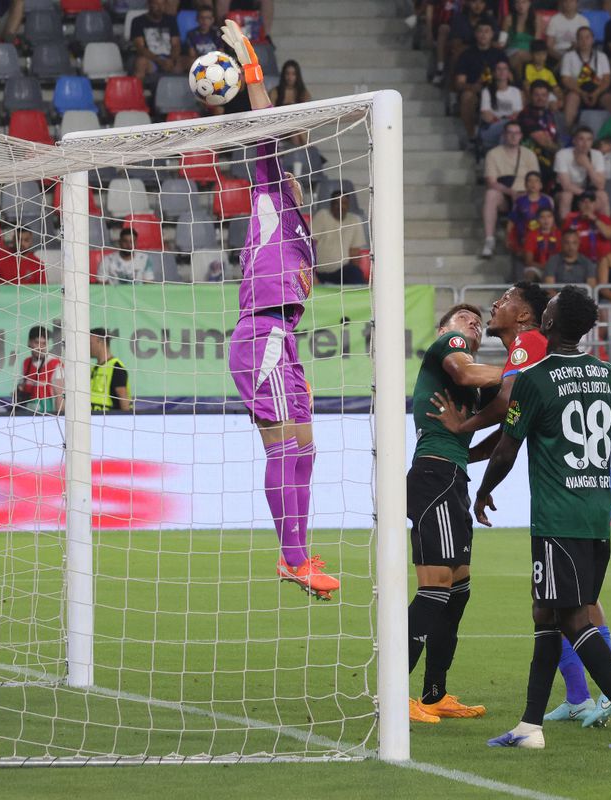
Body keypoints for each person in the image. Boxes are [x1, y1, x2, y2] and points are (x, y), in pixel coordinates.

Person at [427, 285, 611, 728]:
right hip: (588, 482)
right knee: (554, 601)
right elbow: (510, 429)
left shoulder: (529, 343)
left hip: (576, 488)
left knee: (571, 601)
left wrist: (460, 428)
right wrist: (469, 451)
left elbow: (503, 405)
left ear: (525, 316)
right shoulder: (531, 350)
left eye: (505, 299)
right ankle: (578, 697)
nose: (495, 304)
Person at [478, 286, 611, 751]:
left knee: (575, 620)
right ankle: (529, 726)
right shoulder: (604, 374)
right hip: (596, 512)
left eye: (550, 307)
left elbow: (506, 448)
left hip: (557, 517)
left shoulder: (534, 378)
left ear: (549, 322)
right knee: (546, 613)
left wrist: (482, 490)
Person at [221, 22, 338, 601]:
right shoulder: (268, 194)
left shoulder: (303, 239)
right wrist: (250, 61)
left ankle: (300, 551)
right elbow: (265, 127)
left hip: (282, 339)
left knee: (307, 447)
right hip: (260, 333)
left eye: (296, 177)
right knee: (284, 446)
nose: (294, 175)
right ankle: (291, 559)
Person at [405, 303, 502, 724]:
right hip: (434, 477)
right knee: (436, 587)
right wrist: (523, 371)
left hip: (453, 478)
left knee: (457, 590)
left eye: (477, 321)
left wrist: (471, 443)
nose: (472, 322)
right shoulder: (451, 345)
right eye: (464, 318)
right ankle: (393, 692)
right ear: (445, 328)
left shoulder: (477, 389)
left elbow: (509, 419)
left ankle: (434, 694)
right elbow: (465, 373)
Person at [484, 122, 542, 258]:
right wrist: (511, 192)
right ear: (504, 135)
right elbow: (491, 182)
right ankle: (489, 240)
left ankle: (535, 241)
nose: (513, 136)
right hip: (505, 194)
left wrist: (525, 194)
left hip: (526, 193)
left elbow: (536, 180)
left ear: (521, 136)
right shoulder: (493, 154)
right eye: (510, 133)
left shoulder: (529, 154)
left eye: (516, 133)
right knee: (490, 194)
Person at [455, 21, 510, 145]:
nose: (483, 34)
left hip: (497, 89)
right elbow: (459, 83)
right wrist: (474, 86)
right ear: (475, 34)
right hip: (476, 90)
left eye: (487, 31)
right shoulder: (466, 55)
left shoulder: (499, 54)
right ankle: (472, 136)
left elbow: (509, 76)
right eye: (480, 31)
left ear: (492, 34)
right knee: (467, 96)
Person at [560, 26, 611, 129]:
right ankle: (567, 130)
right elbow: (565, 79)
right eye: (581, 38)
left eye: (587, 37)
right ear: (577, 40)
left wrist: (596, 93)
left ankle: (610, 130)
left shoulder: (602, 56)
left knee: (610, 99)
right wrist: (581, 93)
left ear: (592, 40)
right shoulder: (568, 56)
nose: (584, 41)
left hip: (598, 90)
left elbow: (606, 79)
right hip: (577, 90)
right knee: (572, 98)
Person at [311, 191, 367, 285]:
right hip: (319, 273)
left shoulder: (354, 220)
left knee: (354, 273)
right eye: (336, 203)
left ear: (348, 205)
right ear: (331, 205)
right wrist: (311, 273)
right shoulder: (322, 215)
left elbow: (354, 252)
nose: (340, 206)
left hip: (341, 272)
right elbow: (309, 244)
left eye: (344, 203)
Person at [555, 127, 611, 220]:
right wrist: (586, 194)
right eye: (581, 139)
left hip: (587, 190)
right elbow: (566, 185)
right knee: (567, 196)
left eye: (589, 140)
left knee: (603, 195)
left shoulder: (597, 154)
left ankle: (607, 226)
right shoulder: (562, 154)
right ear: (574, 141)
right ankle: (565, 227)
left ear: (592, 142)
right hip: (565, 191)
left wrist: (588, 165)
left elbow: (601, 185)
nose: (585, 144)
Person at [15, 325, 64, 415]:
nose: (40, 347)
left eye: (44, 344)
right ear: (29, 343)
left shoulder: (55, 364)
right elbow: (22, 387)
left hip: (48, 415)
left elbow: (60, 397)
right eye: (37, 343)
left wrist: (59, 418)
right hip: (27, 415)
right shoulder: (26, 362)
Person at [130, 0, 182, 82]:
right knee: (141, 62)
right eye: (156, 4)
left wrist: (172, 60)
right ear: (149, 4)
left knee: (193, 62)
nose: (160, 7)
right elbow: (140, 48)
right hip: (150, 60)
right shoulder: (138, 21)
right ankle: (137, 89)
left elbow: (176, 44)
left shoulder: (171, 20)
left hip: (169, 59)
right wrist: (160, 61)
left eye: (162, 4)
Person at [480, 61, 525, 149]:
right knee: (507, 127)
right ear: (494, 73)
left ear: (509, 73)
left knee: (505, 135)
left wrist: (505, 120)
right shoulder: (486, 91)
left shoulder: (516, 91)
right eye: (499, 69)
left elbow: (518, 113)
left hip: (510, 129)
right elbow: (486, 115)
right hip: (491, 129)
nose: (502, 71)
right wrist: (504, 120)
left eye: (504, 69)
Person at [507, 170, 554, 255]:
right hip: (523, 238)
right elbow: (511, 221)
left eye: (536, 181)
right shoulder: (520, 201)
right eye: (530, 181)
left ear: (541, 185)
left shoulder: (546, 201)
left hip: (540, 237)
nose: (533, 183)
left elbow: (551, 222)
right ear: (525, 185)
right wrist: (508, 238)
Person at [89, 327, 131, 412]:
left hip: (109, 417)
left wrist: (127, 418)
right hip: (93, 417)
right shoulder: (93, 368)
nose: (87, 347)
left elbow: (123, 396)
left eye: (90, 343)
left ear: (100, 342)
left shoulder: (116, 366)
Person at [522, 207, 561, 280]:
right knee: (530, 273)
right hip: (537, 267)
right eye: (542, 217)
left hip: (555, 267)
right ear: (537, 219)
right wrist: (544, 267)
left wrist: (551, 267)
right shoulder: (531, 234)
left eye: (549, 216)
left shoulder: (559, 234)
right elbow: (528, 261)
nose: (546, 220)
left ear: (553, 219)